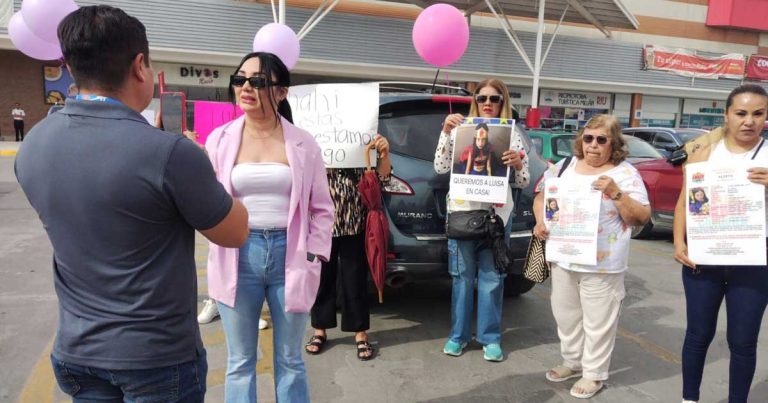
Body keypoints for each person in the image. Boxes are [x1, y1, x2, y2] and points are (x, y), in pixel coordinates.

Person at [14, 6, 249, 402]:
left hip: (77, 350)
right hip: (155, 358)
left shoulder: (34, 143)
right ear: (140, 66)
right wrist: (205, 167)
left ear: (70, 66)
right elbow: (235, 230)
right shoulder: (171, 154)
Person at [204, 51, 334, 402]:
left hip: (289, 254)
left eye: (257, 81)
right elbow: (209, 201)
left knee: (290, 359)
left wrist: (315, 253)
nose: (246, 87)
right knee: (240, 361)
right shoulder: (218, 139)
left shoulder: (303, 142)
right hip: (237, 252)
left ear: (281, 91)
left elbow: (322, 207)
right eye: (240, 79)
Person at [533, 114, 650, 399]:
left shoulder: (625, 174)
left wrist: (616, 193)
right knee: (566, 315)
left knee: (598, 321)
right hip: (564, 256)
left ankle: (593, 374)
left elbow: (642, 217)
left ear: (614, 144)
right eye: (588, 138)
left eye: (601, 140)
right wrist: (540, 221)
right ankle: (572, 361)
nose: (593, 145)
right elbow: (540, 196)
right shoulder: (564, 166)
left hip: (603, 263)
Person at [673, 84, 768, 403]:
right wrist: (678, 242)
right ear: (726, 115)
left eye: (758, 114)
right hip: (705, 258)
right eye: (741, 113)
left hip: (754, 262)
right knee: (698, 334)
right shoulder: (705, 152)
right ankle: (690, 399)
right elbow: (685, 201)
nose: (749, 121)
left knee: (743, 341)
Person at [434, 78, 530, 362]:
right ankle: (458, 336)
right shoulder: (461, 130)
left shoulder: (512, 136)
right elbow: (440, 167)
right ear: (475, 100)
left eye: (495, 98)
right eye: (482, 97)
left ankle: (490, 338)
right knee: (462, 278)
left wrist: (518, 164)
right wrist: (445, 132)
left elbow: (523, 181)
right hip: (463, 213)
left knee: (492, 278)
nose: (488, 103)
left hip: (496, 218)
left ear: (503, 102)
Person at [304, 135, 392, 360]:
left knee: (354, 279)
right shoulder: (315, 138)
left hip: (355, 222)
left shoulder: (364, 139)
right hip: (322, 223)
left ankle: (360, 332)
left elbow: (384, 177)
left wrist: (384, 153)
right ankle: (319, 329)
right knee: (322, 277)